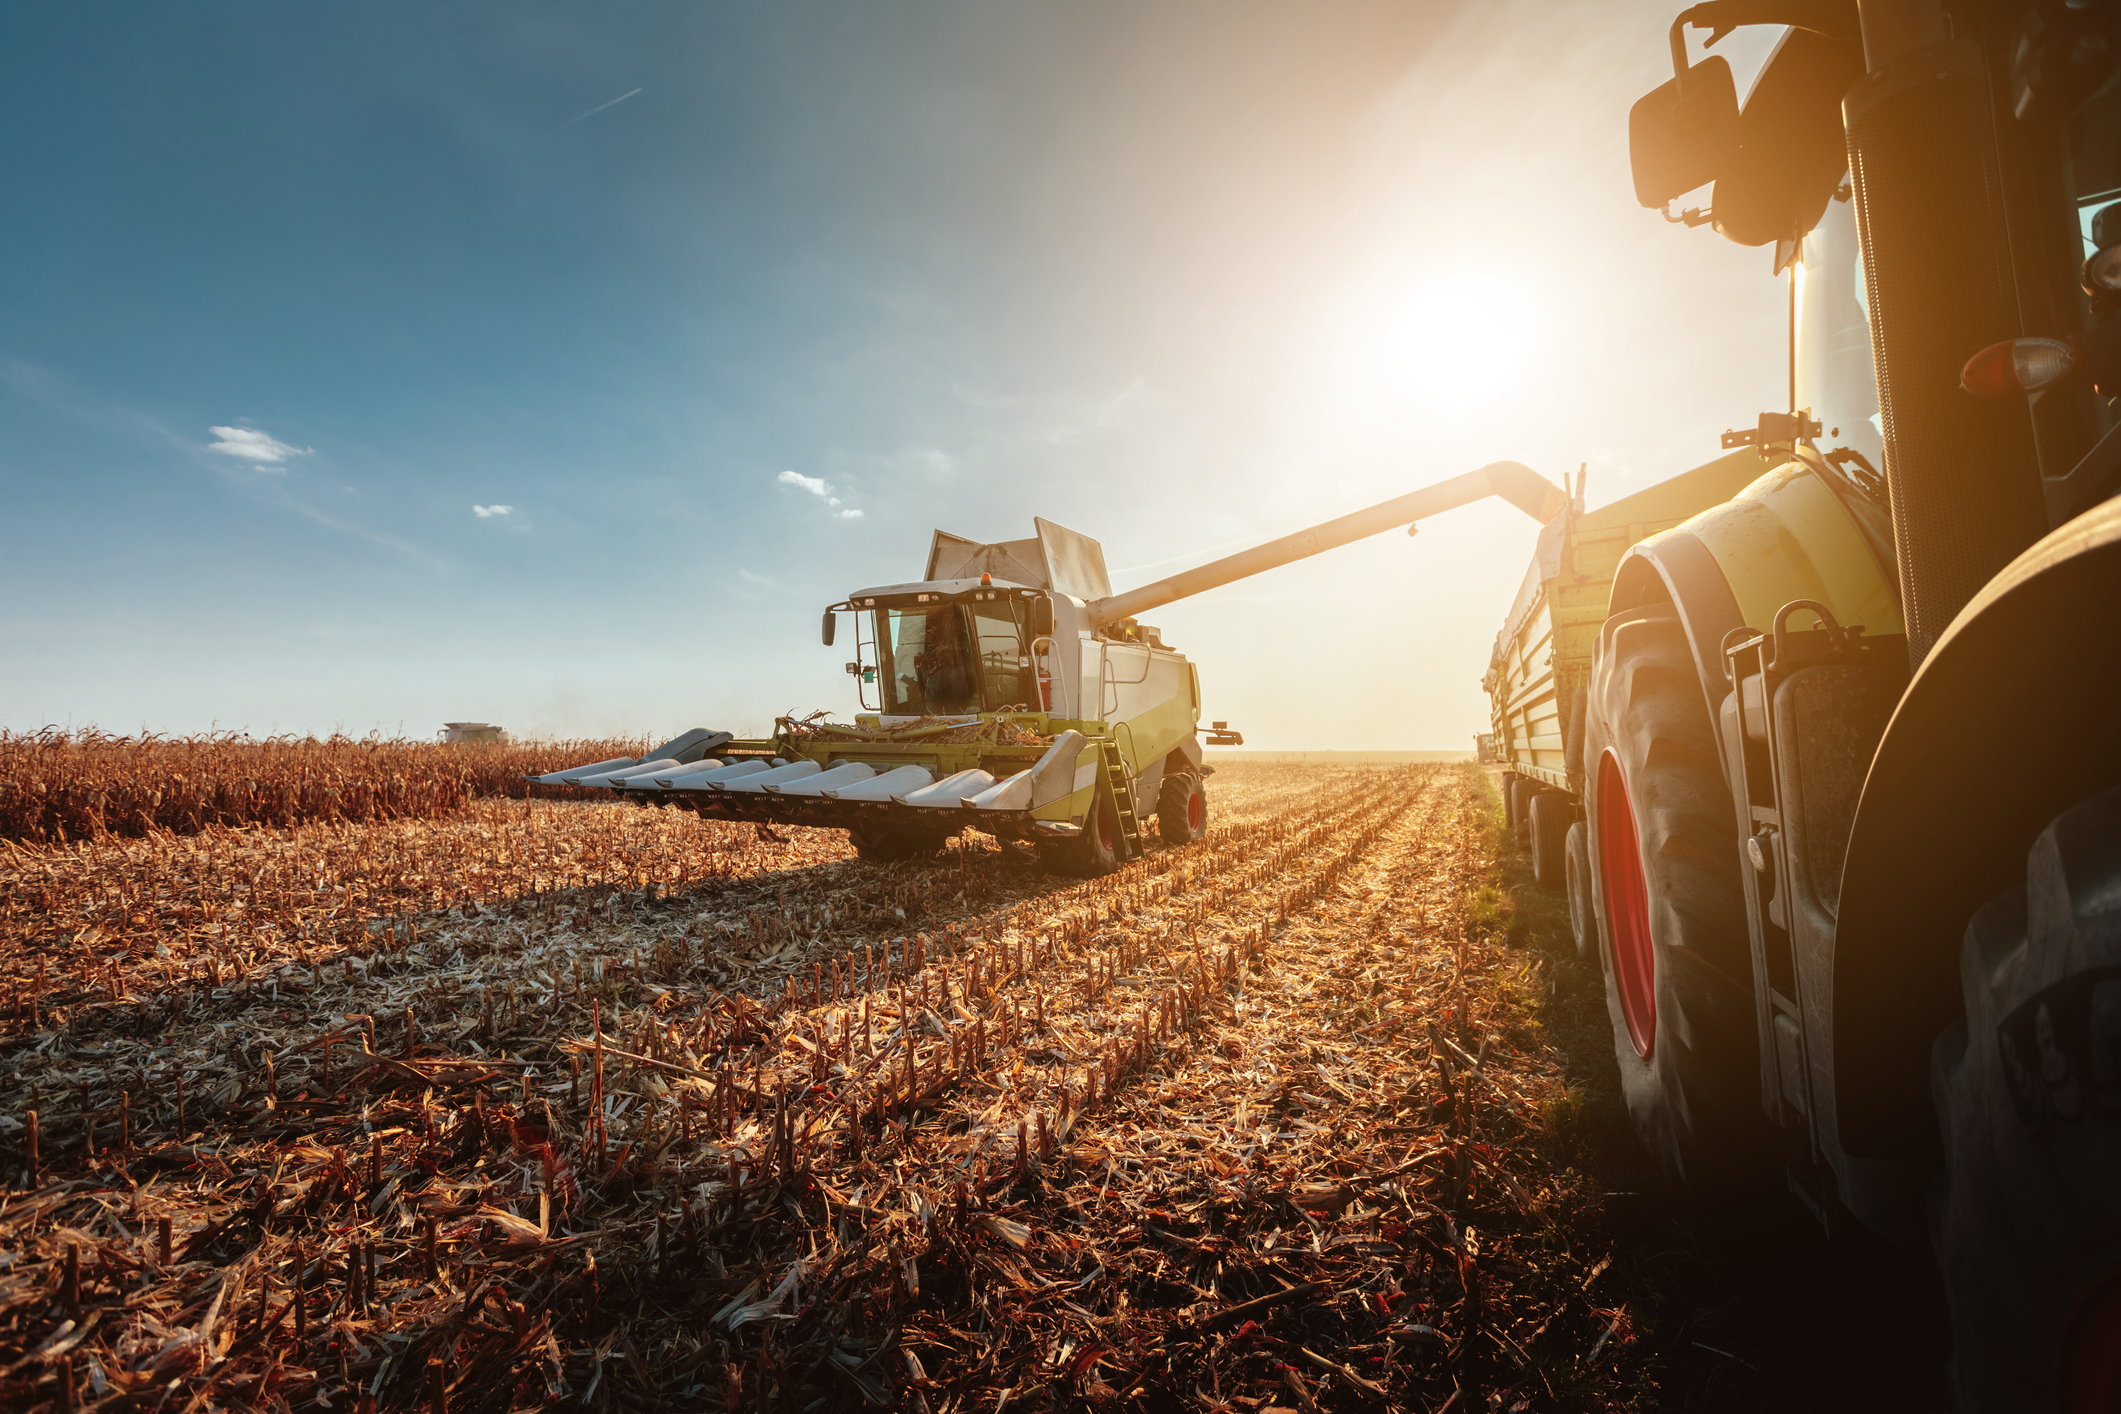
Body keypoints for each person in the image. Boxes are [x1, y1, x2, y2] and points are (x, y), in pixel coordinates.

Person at [915, 608, 975, 712]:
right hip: (948, 668)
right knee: (930, 677)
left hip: (967, 667)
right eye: (956, 624)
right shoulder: (948, 638)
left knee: (954, 675)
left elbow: (964, 648)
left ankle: (960, 705)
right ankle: (932, 708)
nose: (957, 626)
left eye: (959, 624)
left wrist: (947, 648)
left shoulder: (966, 637)